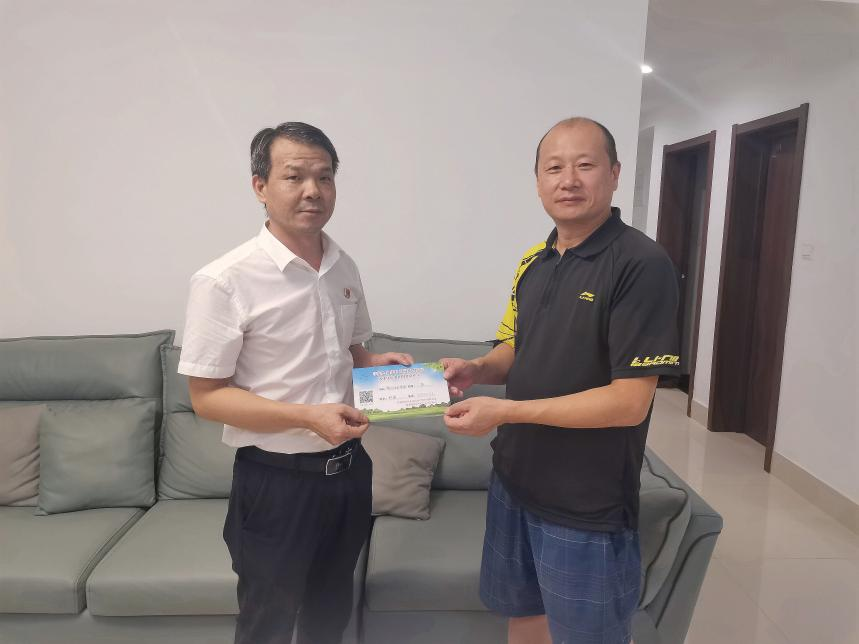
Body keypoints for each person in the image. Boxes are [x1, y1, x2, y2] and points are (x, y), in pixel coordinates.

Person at [441, 117, 680, 644]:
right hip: (514, 480)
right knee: (523, 615)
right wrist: (478, 370)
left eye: (585, 165)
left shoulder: (641, 264)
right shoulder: (536, 261)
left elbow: (628, 403)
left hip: (585, 501)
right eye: (554, 168)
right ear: (538, 182)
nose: (568, 180)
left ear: (614, 174)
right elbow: (518, 347)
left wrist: (505, 412)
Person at [177, 122, 412, 644]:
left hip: (349, 473)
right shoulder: (224, 280)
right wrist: (306, 417)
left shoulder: (343, 265)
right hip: (276, 483)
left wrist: (378, 364)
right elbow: (206, 398)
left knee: (330, 614)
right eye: (294, 176)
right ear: (260, 186)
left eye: (325, 177)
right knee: (268, 622)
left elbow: (351, 352)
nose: (313, 190)